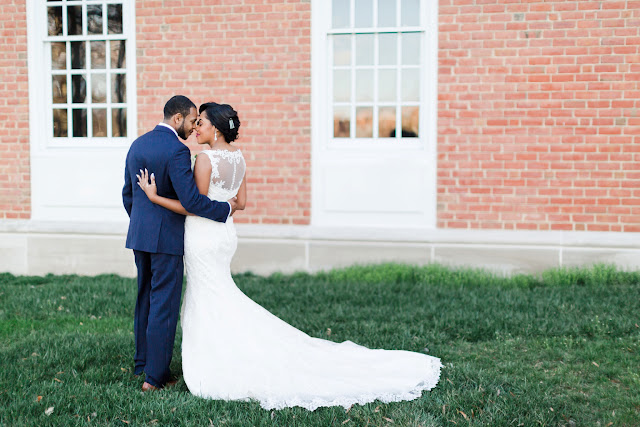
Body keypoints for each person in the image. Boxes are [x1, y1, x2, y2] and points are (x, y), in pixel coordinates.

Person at [136, 102, 442, 410]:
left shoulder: (204, 160)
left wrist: (154, 197)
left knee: (208, 295)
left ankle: (221, 358)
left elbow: (194, 206)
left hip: (204, 235)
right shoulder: (238, 158)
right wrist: (227, 206)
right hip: (226, 236)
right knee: (220, 292)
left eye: (201, 123)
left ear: (215, 128)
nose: (196, 128)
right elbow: (241, 201)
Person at [122, 95, 237, 392]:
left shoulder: (138, 144)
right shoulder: (176, 150)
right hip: (167, 239)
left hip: (139, 236)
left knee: (145, 297)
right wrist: (224, 209)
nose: (193, 126)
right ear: (177, 119)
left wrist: (141, 223)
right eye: (190, 120)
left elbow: (127, 194)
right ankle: (155, 377)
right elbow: (191, 201)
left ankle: (142, 364)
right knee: (164, 304)